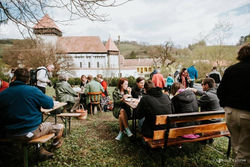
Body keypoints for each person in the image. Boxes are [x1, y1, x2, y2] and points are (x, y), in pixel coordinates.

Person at [0, 68, 64, 157]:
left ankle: (40, 149)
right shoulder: (32, 90)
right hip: (29, 132)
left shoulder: (3, 93)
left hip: (9, 133)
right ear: (28, 79)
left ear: (14, 77)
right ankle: (54, 145)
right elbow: (49, 104)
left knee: (34, 126)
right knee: (59, 126)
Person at [217, 44, 250, 167]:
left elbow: (220, 91)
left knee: (237, 148)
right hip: (247, 114)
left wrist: (225, 106)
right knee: (245, 152)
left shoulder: (231, 69)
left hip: (230, 113)